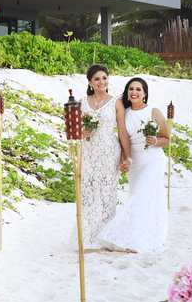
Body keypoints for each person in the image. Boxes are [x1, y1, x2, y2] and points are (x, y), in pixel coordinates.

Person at [95, 77, 170, 254]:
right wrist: (125, 160)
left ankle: (134, 242)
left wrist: (154, 141)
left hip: (153, 160)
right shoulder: (124, 113)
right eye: (131, 89)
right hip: (134, 162)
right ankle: (139, 237)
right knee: (141, 200)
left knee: (140, 198)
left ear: (144, 93)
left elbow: (166, 139)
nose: (134, 92)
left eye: (138, 89)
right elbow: (123, 139)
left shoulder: (154, 112)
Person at [71, 64, 123, 250]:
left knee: (107, 195)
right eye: (97, 79)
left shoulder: (116, 102)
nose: (102, 82)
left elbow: (122, 132)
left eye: (105, 78)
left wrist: (126, 156)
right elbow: (71, 129)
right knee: (89, 195)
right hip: (88, 154)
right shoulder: (81, 102)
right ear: (90, 82)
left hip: (109, 153)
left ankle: (106, 238)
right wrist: (80, 132)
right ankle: (87, 236)